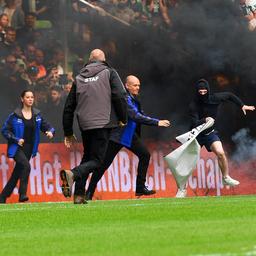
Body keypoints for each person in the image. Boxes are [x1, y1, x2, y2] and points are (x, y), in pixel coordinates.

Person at [73, 75, 170, 204]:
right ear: (127, 85)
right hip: (117, 136)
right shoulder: (125, 98)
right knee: (102, 166)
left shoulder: (134, 98)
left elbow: (141, 115)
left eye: (138, 85)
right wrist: (157, 122)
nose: (137, 88)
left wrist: (155, 121)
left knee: (145, 155)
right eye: (135, 85)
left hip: (129, 135)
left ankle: (140, 187)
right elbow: (135, 116)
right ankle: (89, 193)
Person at [60, 49, 127, 199]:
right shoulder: (109, 72)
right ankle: (72, 174)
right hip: (103, 122)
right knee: (98, 161)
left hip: (85, 124)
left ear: (90, 60)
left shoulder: (78, 78)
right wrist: (123, 117)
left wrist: (68, 131)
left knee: (88, 157)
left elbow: (69, 107)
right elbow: (120, 96)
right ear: (103, 60)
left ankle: (78, 195)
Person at [176, 78, 255, 197]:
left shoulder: (215, 98)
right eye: (200, 91)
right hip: (196, 135)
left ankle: (225, 177)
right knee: (188, 163)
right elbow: (193, 123)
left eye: (204, 91)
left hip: (209, 134)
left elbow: (229, 95)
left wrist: (242, 105)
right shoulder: (193, 104)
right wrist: (205, 120)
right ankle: (182, 189)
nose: (202, 93)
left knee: (221, 153)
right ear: (197, 91)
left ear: (208, 90)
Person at [0, 90, 55, 204]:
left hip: (29, 148)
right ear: (22, 99)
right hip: (17, 148)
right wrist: (16, 139)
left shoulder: (37, 115)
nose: (30, 99)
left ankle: (3, 196)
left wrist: (50, 132)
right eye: (27, 97)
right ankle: (22, 195)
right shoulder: (14, 115)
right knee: (26, 166)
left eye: (32, 97)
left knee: (17, 173)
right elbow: (5, 130)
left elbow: (48, 127)